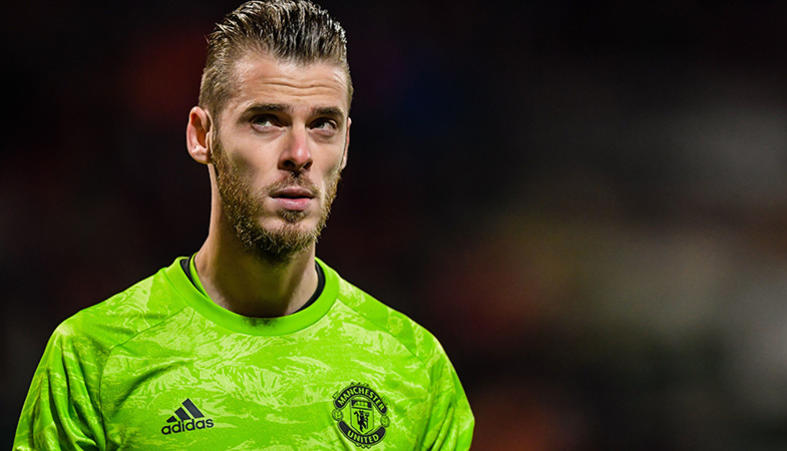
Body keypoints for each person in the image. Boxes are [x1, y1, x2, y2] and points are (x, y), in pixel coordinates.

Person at [13, 1, 474, 449]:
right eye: (266, 120)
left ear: (347, 144)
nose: (299, 154)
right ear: (202, 135)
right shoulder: (92, 359)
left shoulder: (416, 370)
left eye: (323, 124)